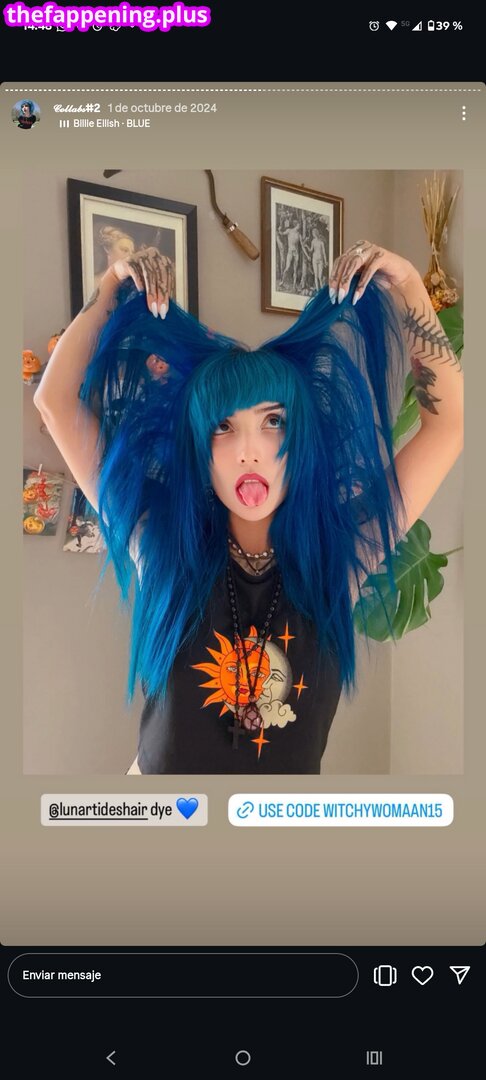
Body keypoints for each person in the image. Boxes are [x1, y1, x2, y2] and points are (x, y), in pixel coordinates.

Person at [33, 240, 464, 774]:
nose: (249, 451)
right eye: (223, 427)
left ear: (301, 439)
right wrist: (109, 290)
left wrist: (410, 285)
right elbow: (54, 402)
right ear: (200, 448)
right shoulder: (162, 544)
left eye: (273, 421)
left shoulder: (337, 558)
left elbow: (448, 428)